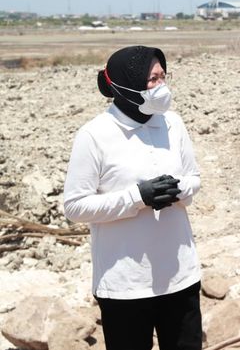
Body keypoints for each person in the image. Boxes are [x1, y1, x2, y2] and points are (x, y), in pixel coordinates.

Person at [63, 46, 202, 350]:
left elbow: (194, 178)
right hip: (125, 286)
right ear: (126, 84)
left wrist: (175, 190)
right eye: (153, 79)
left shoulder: (172, 123)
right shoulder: (94, 135)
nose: (161, 86)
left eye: (163, 77)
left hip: (180, 276)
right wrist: (137, 197)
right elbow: (74, 206)